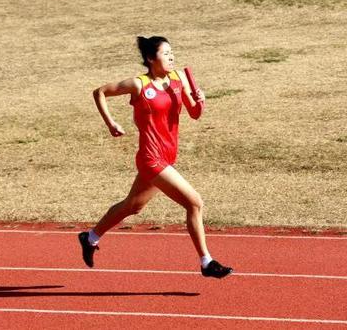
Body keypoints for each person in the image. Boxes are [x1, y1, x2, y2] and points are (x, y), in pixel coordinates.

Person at [78, 36, 233, 279]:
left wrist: (201, 101)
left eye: (172, 52)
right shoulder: (139, 84)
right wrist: (111, 123)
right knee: (194, 203)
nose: (171, 57)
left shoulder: (178, 78)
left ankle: (90, 237)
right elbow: (100, 92)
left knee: (133, 206)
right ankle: (206, 262)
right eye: (165, 53)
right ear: (151, 58)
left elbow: (194, 113)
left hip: (168, 156)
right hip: (151, 158)